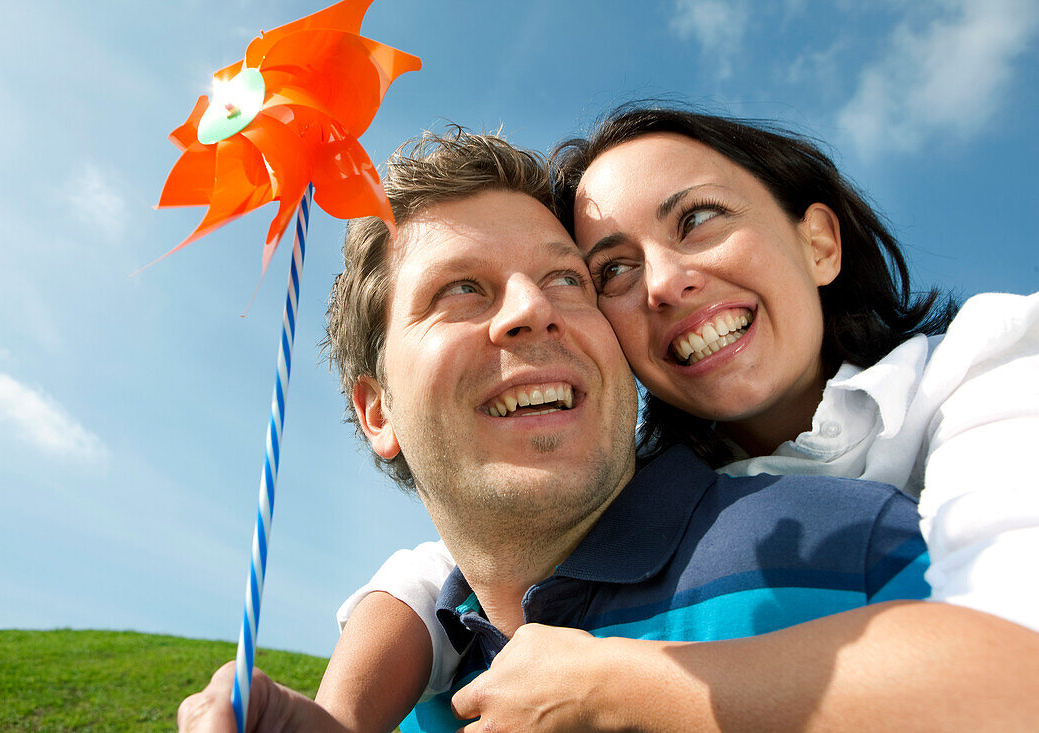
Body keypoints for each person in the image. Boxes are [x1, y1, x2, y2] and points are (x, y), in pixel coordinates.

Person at [177, 129, 936, 733]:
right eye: (461, 289)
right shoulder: (403, 697)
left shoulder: (856, 545)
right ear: (379, 411)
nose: (530, 310)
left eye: (567, 279)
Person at [327, 108, 1039, 731]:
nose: (664, 283)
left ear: (819, 242)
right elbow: (445, 567)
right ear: (376, 409)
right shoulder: (443, 647)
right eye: (612, 271)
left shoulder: (981, 375)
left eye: (697, 219)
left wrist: (620, 682)